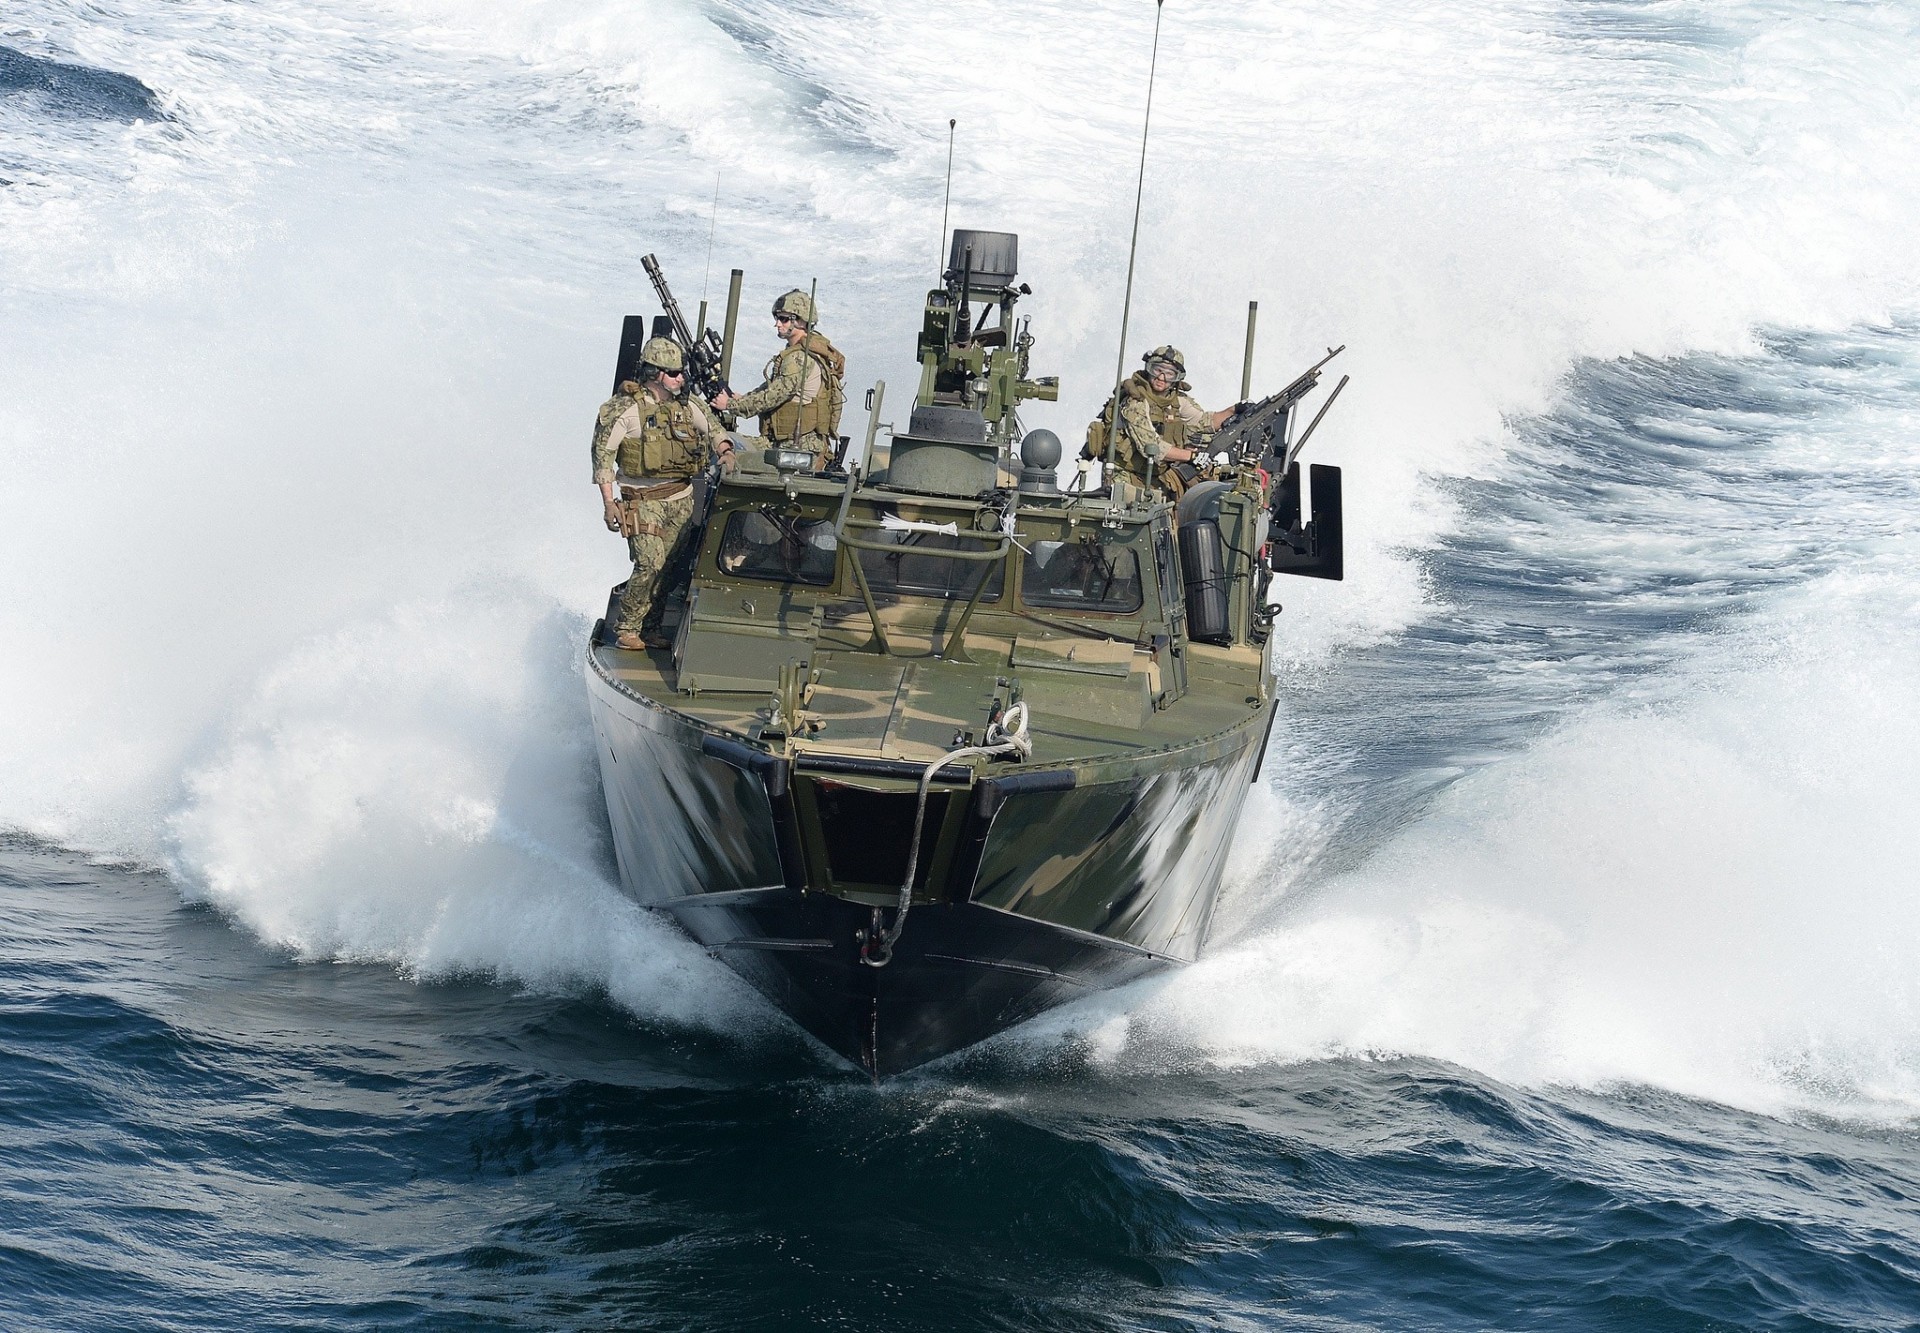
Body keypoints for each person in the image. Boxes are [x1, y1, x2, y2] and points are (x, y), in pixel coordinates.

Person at [592, 337, 734, 651]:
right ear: (654, 374)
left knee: (670, 568)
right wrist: (608, 503)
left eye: (681, 372)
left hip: (681, 499)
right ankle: (627, 627)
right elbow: (603, 457)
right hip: (642, 500)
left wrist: (725, 451)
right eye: (673, 373)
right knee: (649, 563)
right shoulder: (624, 409)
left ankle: (651, 627)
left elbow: (714, 430)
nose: (680, 378)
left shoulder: (687, 405)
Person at [713, 289, 845, 468]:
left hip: (795, 450)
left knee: (726, 444)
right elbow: (771, 387)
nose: (777, 324)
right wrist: (742, 399)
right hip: (787, 445)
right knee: (729, 440)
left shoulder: (799, 358)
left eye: (783, 319)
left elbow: (774, 396)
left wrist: (730, 405)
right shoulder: (801, 353)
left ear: (800, 321)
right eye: (777, 318)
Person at [1081, 345, 1237, 495]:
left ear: (1177, 377)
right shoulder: (1135, 402)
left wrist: (1235, 410)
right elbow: (1151, 446)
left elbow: (1205, 421)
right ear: (1149, 369)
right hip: (1125, 475)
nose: (1161, 378)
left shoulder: (1176, 400)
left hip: (1157, 474)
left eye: (1169, 373)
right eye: (1157, 370)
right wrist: (1192, 457)